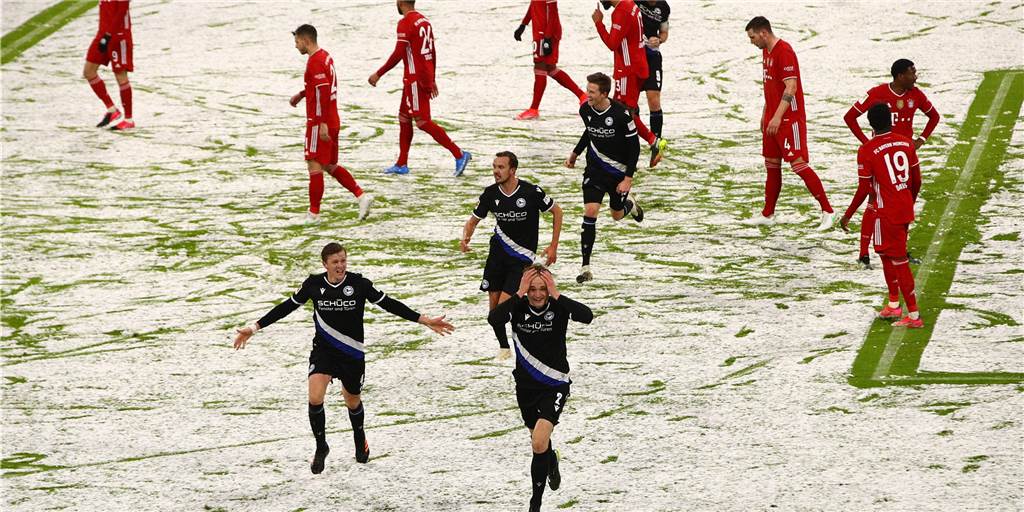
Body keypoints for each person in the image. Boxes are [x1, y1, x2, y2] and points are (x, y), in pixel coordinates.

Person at [233, 243, 455, 473]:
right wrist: (254, 327)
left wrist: (424, 319)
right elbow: (287, 306)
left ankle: (360, 439)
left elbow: (389, 304)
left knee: (352, 402)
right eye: (335, 262)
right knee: (315, 397)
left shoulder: (359, 284)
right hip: (324, 351)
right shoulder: (313, 284)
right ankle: (321, 447)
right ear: (325, 264)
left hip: (352, 353)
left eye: (343, 260)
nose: (340, 265)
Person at [487, 266, 593, 512]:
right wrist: (517, 294)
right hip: (525, 386)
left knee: (537, 443)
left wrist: (557, 295)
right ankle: (550, 461)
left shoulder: (557, 306)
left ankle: (535, 504)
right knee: (540, 443)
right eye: (532, 289)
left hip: (555, 384)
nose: (536, 295)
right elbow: (494, 320)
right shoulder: (518, 306)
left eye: (542, 288)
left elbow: (587, 316)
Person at [461, 151, 563, 359]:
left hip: (521, 260)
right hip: (496, 257)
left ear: (513, 170)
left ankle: (524, 339)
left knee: (503, 308)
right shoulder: (490, 194)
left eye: (500, 167)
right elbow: (473, 220)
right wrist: (466, 238)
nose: (496, 171)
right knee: (493, 313)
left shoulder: (531, 191)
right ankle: (504, 348)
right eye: (494, 167)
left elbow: (557, 211)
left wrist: (553, 247)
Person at [843, 59, 940, 268]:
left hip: (904, 157)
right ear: (899, 76)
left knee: (904, 200)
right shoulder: (876, 93)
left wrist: (920, 140)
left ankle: (899, 250)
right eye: (912, 73)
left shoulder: (917, 95)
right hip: (881, 157)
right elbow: (850, 117)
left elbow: (934, 117)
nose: (916, 77)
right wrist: (868, 143)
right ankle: (863, 254)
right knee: (873, 200)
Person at [743, 16, 834, 230]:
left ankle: (828, 210)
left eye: (753, 37)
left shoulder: (784, 51)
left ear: (764, 33)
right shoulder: (766, 52)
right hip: (773, 119)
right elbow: (770, 87)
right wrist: (765, 114)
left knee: (798, 164)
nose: (752, 42)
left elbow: (790, 88)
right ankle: (768, 213)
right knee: (772, 165)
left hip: (788, 119)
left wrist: (776, 117)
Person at [840, 104, 923, 328]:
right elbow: (917, 180)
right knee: (886, 255)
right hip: (903, 209)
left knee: (899, 261)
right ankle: (894, 305)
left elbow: (864, 189)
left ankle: (914, 316)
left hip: (886, 213)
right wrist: (907, 201)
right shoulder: (906, 142)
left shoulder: (867, 150)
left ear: (870, 124)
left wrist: (848, 215)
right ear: (891, 120)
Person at [369, 0, 472, 177]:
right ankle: (401, 163)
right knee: (403, 117)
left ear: (401, 2)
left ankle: (459, 154)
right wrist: (432, 78)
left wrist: (379, 73)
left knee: (422, 121)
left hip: (415, 80)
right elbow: (431, 52)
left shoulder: (405, 23)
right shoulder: (424, 21)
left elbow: (399, 53)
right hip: (418, 77)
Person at [565, 72, 644, 284]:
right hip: (595, 170)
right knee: (590, 211)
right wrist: (575, 153)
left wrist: (628, 178)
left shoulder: (622, 114)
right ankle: (586, 267)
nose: (587, 94)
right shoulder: (585, 109)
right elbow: (589, 132)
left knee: (616, 216)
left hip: (619, 173)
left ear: (604, 93)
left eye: (591, 92)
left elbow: (634, 148)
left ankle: (631, 205)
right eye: (587, 90)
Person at [289, 25, 372, 224]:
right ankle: (361, 196)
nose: (296, 46)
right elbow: (320, 86)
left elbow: (323, 92)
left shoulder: (315, 62)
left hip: (320, 121)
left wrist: (321, 123)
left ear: (306, 40)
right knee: (328, 164)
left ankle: (314, 214)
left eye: (297, 41)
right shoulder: (325, 56)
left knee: (314, 163)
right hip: (332, 118)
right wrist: (301, 95)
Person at [592, 0, 668, 167]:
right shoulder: (631, 5)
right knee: (627, 111)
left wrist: (598, 23)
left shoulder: (621, 11)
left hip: (628, 70)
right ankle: (642, 145)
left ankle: (651, 142)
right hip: (638, 65)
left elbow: (612, 44)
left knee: (623, 111)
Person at [513, 0, 588, 120]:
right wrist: (523, 24)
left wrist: (547, 38)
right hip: (540, 32)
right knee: (550, 68)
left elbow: (553, 13)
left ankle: (533, 109)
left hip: (546, 33)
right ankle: (583, 97)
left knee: (540, 67)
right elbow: (534, 4)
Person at [84, 0, 134, 131]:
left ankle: (129, 120)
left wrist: (108, 35)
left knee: (120, 75)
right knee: (89, 72)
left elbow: (121, 11)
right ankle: (112, 110)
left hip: (118, 36)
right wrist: (104, 35)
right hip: (102, 34)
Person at [636, 0, 670, 138]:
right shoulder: (634, 2)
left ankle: (656, 141)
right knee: (631, 100)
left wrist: (659, 40)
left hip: (652, 56)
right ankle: (634, 134)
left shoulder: (664, 7)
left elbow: (664, 32)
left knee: (653, 99)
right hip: (634, 54)